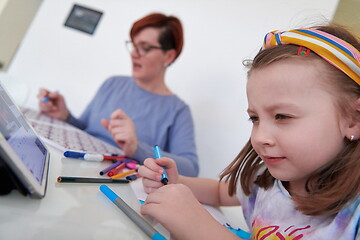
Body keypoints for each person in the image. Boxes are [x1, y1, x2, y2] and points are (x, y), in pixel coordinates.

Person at [138, 23, 360, 239]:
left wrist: (199, 228)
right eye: (255, 118)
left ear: (354, 120)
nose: (260, 137)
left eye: (282, 116)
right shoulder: (266, 179)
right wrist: (177, 182)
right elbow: (219, 192)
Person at [37, 13, 199, 177]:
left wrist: (137, 148)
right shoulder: (112, 83)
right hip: (75, 166)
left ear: (169, 56)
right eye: (134, 45)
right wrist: (65, 116)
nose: (134, 53)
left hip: (116, 179)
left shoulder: (178, 110)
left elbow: (191, 169)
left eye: (145, 47)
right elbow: (85, 130)